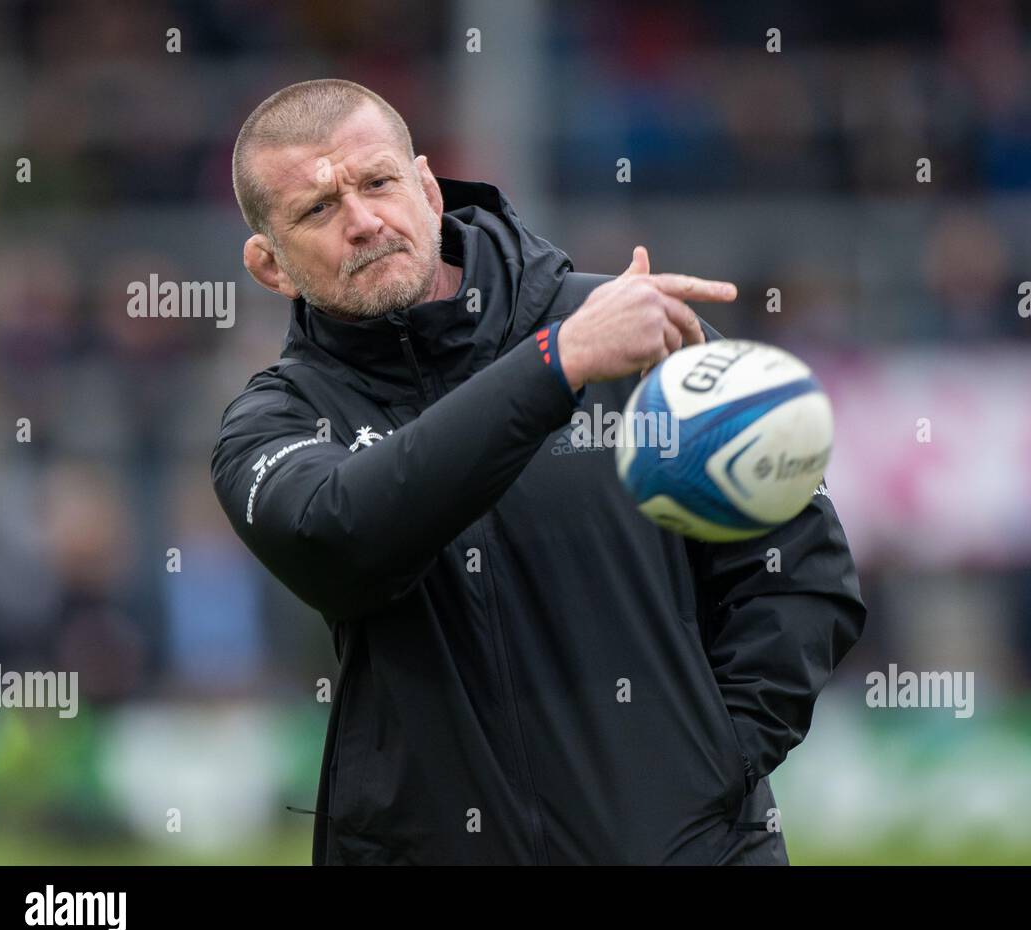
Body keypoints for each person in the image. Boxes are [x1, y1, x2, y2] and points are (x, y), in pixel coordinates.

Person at [211, 78, 866, 864]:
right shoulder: (273, 422)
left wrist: (711, 764)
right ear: (269, 265)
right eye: (317, 210)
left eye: (379, 182)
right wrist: (555, 366)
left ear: (425, 186)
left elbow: (800, 565)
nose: (362, 221)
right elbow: (346, 537)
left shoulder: (631, 329)